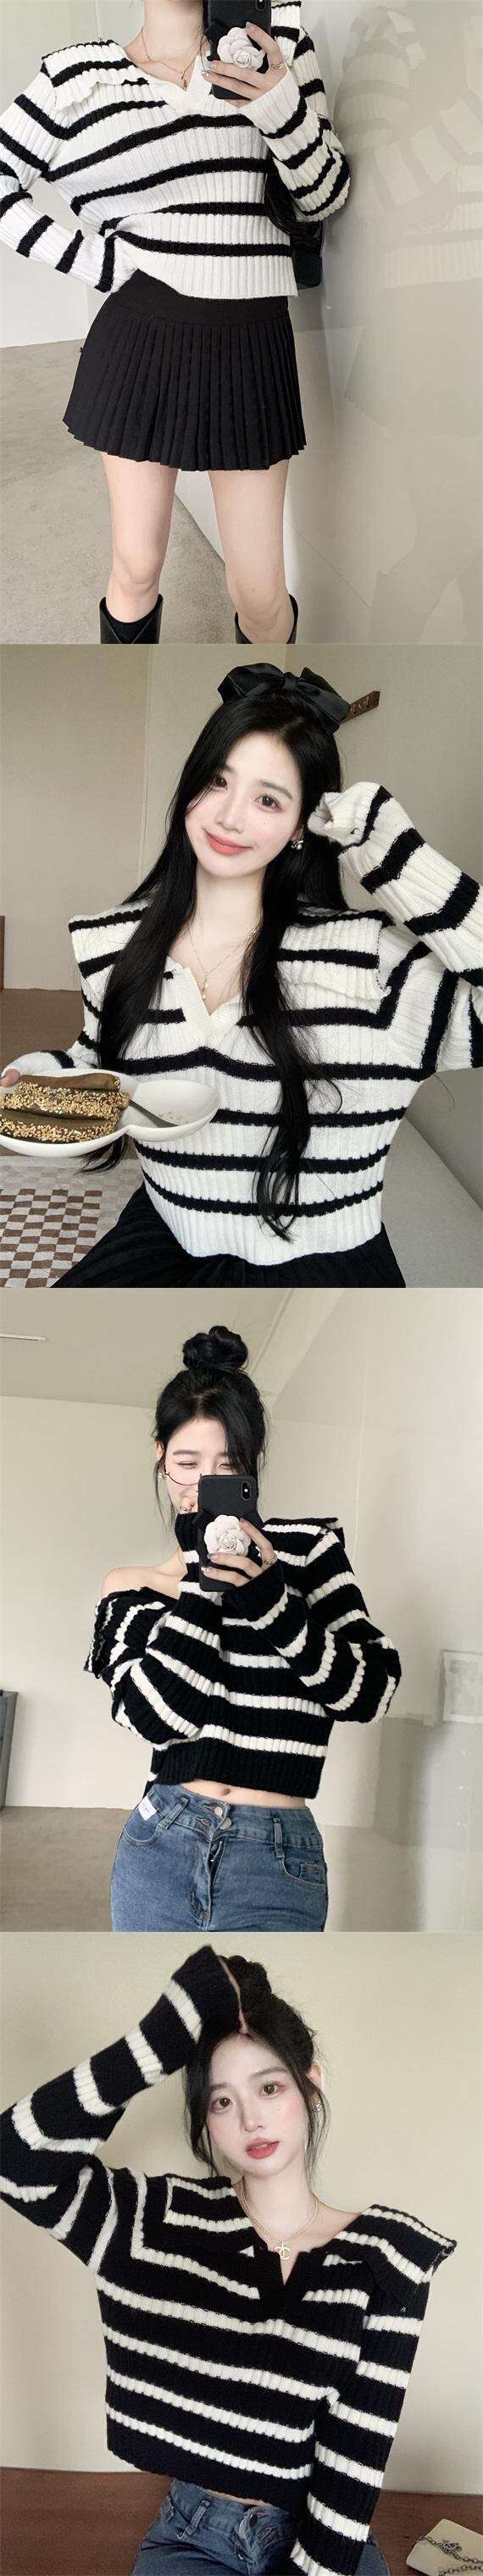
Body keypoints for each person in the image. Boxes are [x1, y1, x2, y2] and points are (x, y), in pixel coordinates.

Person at [2, 663, 481, 1286]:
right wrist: (41, 1077)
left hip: (321, 1259)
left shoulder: (369, 961)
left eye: (267, 800)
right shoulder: (113, 943)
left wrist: (400, 860)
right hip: (166, 1230)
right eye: (217, 781)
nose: (229, 816)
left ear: (302, 826)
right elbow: (100, 1060)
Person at [0, 1945, 455, 2576]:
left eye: (269, 2087)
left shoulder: (387, 2257)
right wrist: (167, 2032)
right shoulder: (155, 2222)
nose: (250, 2118)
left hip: (319, 2536)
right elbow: (16, 2162)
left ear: (310, 2084)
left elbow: (355, 2458)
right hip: (192, 2536)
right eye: (221, 2101)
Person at [0, 6, 350, 645]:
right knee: (136, 568)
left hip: (251, 342)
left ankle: (263, 704)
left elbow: (324, 195)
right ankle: (124, 700)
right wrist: (97, 263)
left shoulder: (276, 39)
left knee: (259, 595)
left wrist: (277, 104)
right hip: (140, 336)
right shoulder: (78, 75)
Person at [86, 1321, 401, 1930]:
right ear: (160, 1457)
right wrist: (204, 1584)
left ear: (251, 1468)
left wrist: (272, 1602)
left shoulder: (307, 1551)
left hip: (279, 1850)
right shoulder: (130, 1586)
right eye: (187, 1462)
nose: (204, 1485)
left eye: (227, 1465)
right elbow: (157, 1718)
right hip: (161, 1838)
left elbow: (371, 1694)